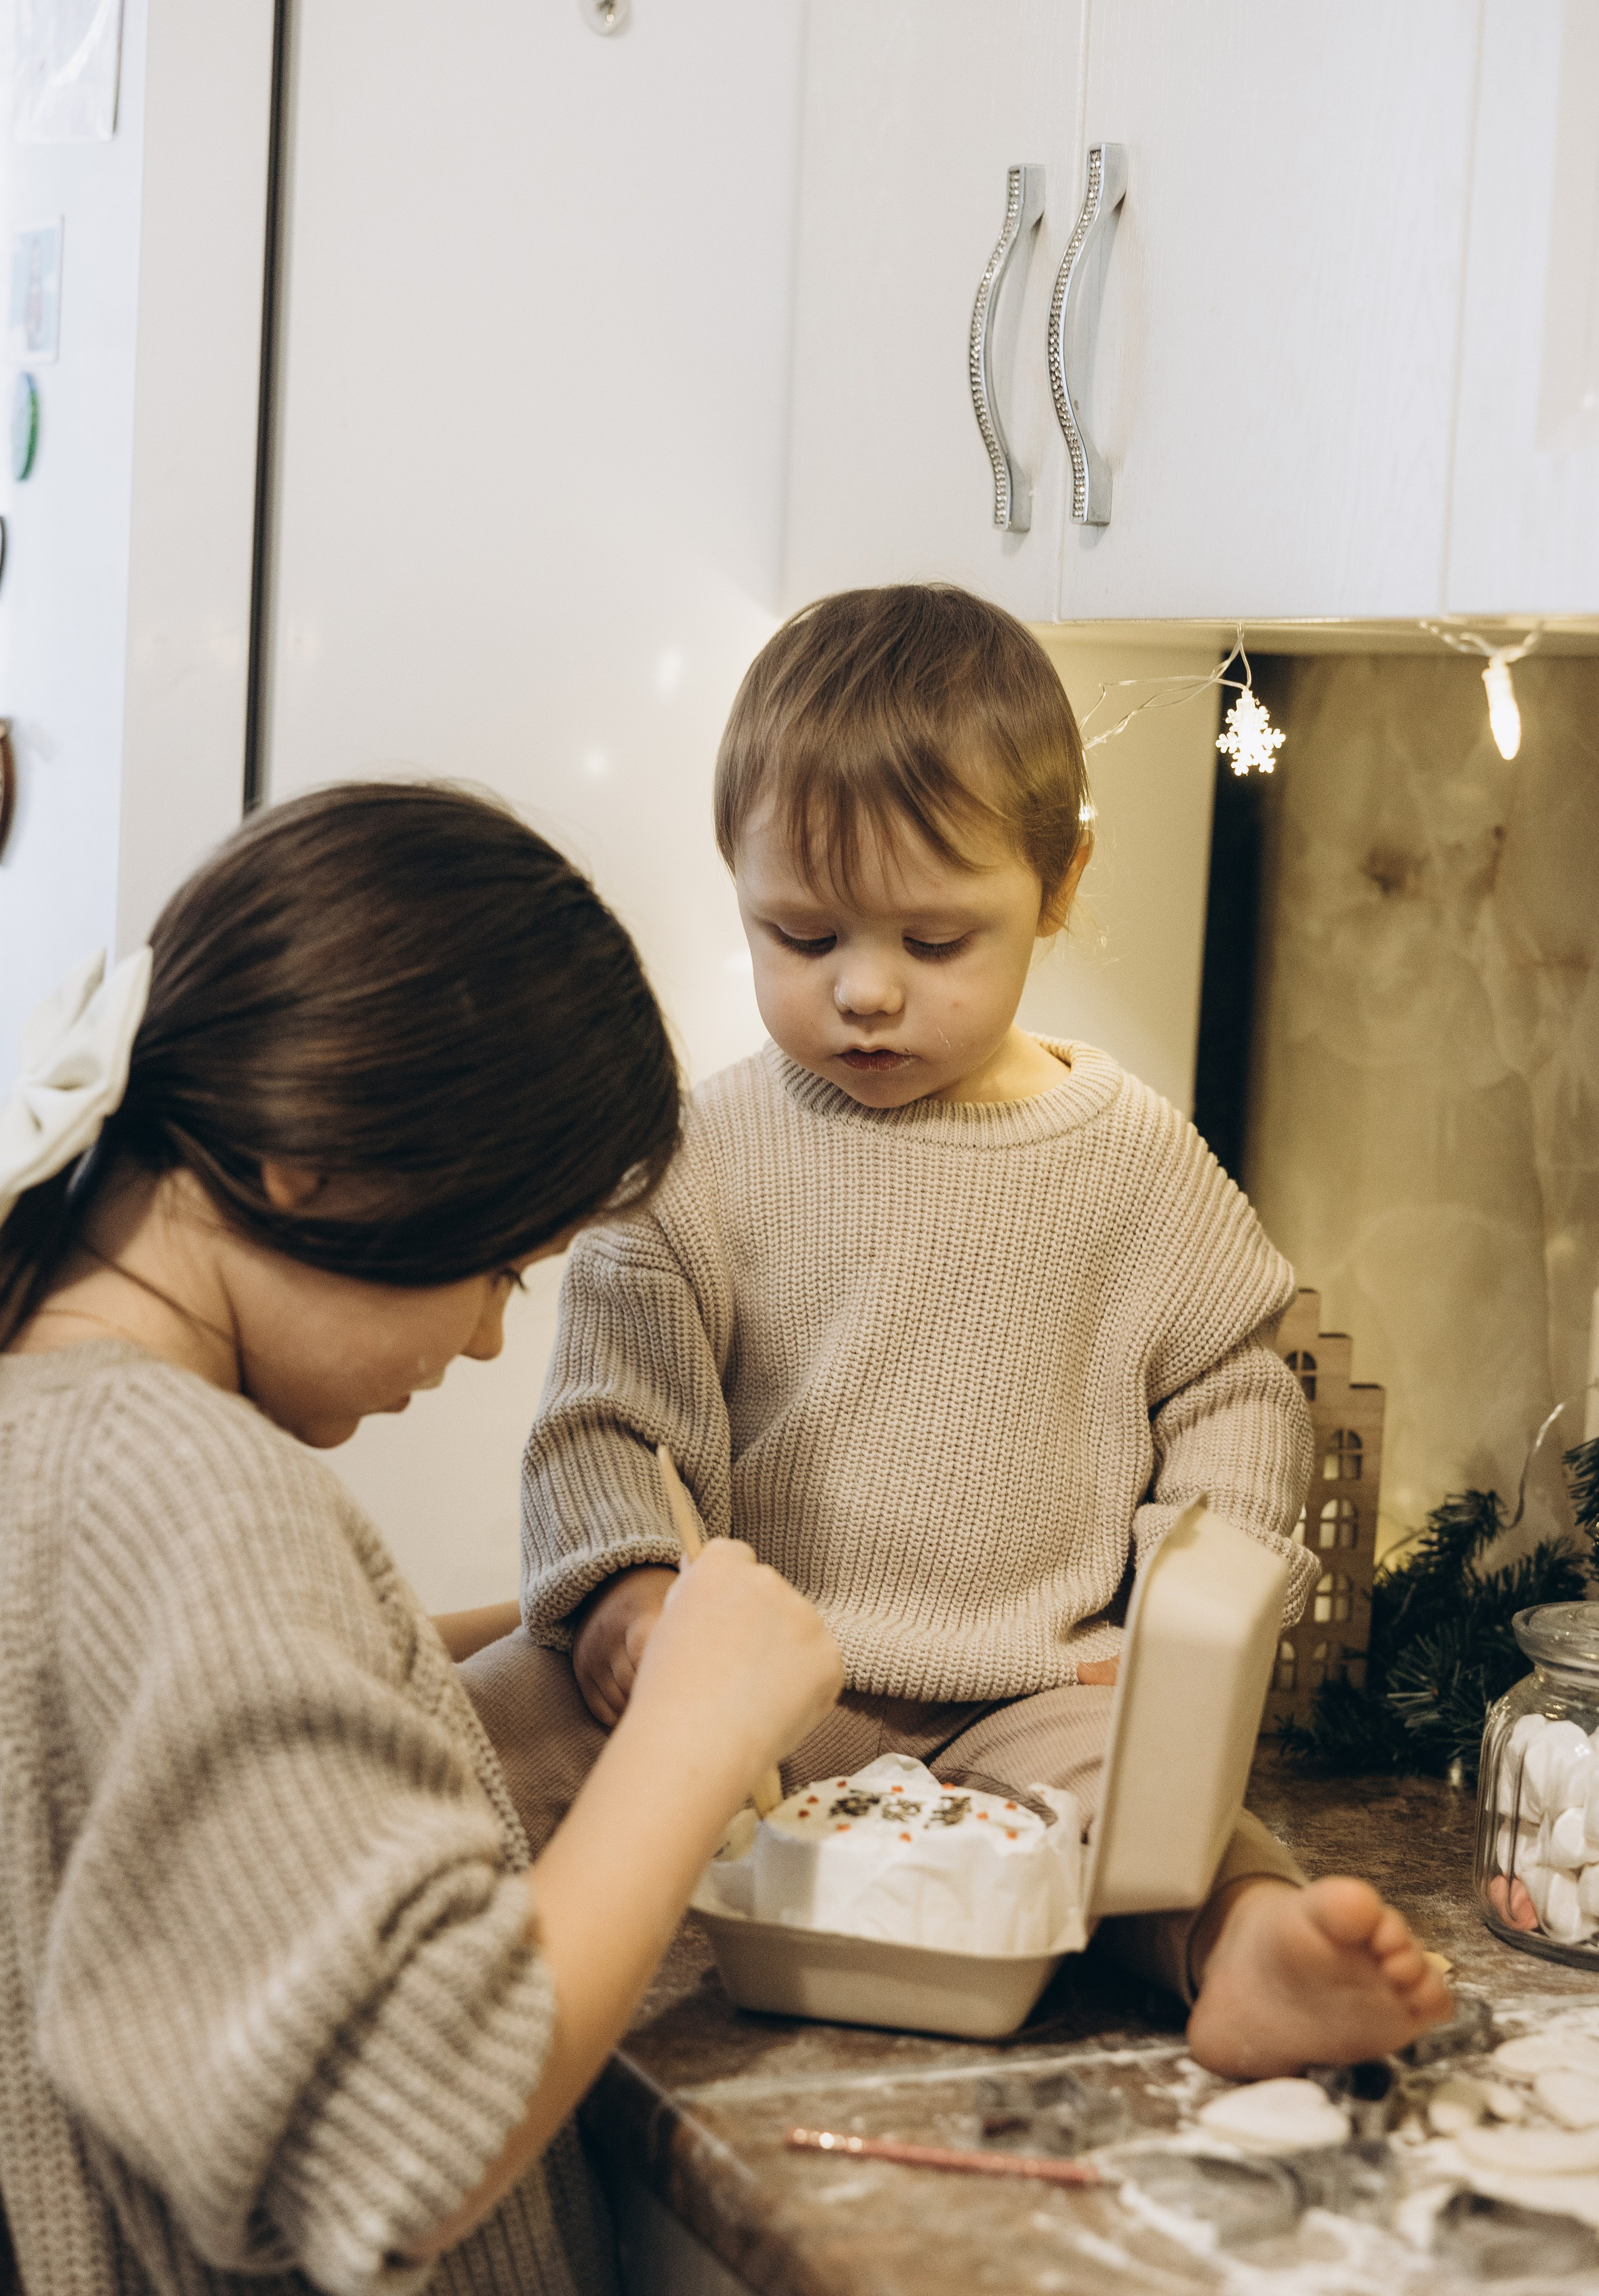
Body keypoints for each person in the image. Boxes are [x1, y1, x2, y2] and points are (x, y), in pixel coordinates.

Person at [462, 586, 1452, 2079]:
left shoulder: (1129, 1157)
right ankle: (376, 1964)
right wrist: (627, 1601)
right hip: (744, 1699)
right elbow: (609, 1421)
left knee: (1163, 1813)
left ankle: (1244, 1950)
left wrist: (1177, 1620)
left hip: (1028, 1700)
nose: (862, 989)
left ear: (1057, 888)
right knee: (467, 1743)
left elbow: (1238, 1384)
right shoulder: (697, 1159)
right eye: (799, 934)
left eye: (934, 939)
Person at [0, 783, 843, 2296]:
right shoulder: (189, 1485)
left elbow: (167, 1790)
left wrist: (510, 1639)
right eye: (498, 1269)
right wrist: (697, 1724)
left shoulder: (56, 1423)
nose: (476, 1342)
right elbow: (411, 2131)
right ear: (307, 1162)